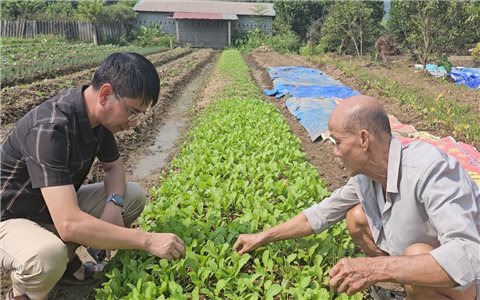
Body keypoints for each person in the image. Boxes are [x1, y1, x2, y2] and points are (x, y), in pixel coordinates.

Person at [234, 95, 479, 299]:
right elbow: (321, 214)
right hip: (427, 263)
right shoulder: (366, 177)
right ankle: (404, 287)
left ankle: (413, 287)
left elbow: (469, 257)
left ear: (363, 139)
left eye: (337, 142)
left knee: (415, 255)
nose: (334, 152)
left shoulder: (430, 170)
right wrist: (263, 236)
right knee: (357, 217)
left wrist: (377, 269)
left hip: (469, 283)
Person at [1, 53, 186, 300]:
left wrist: (114, 204)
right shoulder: (49, 128)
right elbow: (68, 224)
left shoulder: (96, 119)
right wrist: (147, 240)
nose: (134, 123)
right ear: (105, 94)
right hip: (10, 219)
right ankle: (22, 291)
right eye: (132, 112)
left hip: (48, 209)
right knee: (46, 256)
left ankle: (66, 264)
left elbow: (114, 168)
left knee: (132, 196)